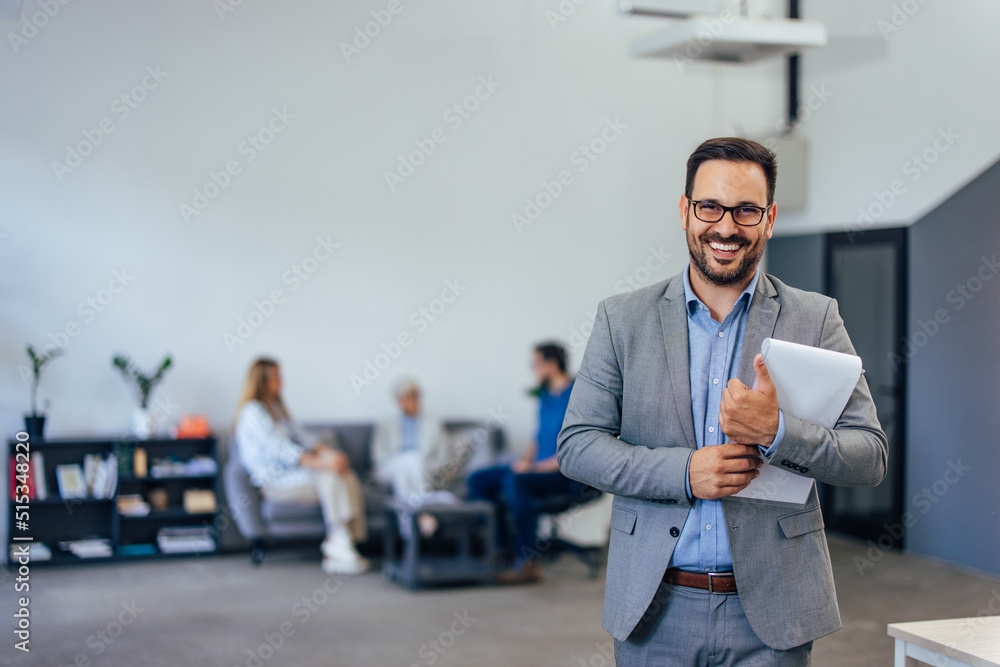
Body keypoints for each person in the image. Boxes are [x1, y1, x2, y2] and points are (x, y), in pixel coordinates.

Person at [557, 137, 888, 666]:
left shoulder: (815, 319)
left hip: (772, 615)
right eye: (710, 206)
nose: (726, 227)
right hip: (653, 608)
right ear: (685, 211)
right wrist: (685, 472)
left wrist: (777, 431)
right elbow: (577, 446)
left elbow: (870, 455)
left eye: (746, 211)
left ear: (770, 218)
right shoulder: (624, 320)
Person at [233, 357, 369, 575]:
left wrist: (330, 455)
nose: (282, 381)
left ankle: (345, 540)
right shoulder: (252, 413)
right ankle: (337, 540)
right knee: (331, 476)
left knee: (346, 474)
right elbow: (283, 449)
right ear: (263, 381)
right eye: (278, 377)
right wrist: (323, 465)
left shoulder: (276, 409)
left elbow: (304, 438)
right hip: (275, 482)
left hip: (296, 476)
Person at [468, 342, 580, 585]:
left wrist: (533, 469)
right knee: (478, 480)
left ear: (550, 364)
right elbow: (537, 438)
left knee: (516, 481)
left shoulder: (577, 394)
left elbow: (575, 447)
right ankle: (502, 550)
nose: (533, 370)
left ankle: (527, 562)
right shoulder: (545, 395)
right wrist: (524, 462)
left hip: (563, 473)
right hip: (536, 469)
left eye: (535, 364)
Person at [372, 378, 457, 536]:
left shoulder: (433, 422)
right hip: (391, 466)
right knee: (409, 461)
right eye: (407, 397)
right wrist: (406, 460)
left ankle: (408, 529)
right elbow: (379, 456)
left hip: (424, 467)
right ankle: (424, 509)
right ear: (398, 400)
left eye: (415, 396)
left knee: (408, 466)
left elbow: (444, 456)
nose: (412, 401)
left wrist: (420, 463)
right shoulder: (386, 423)